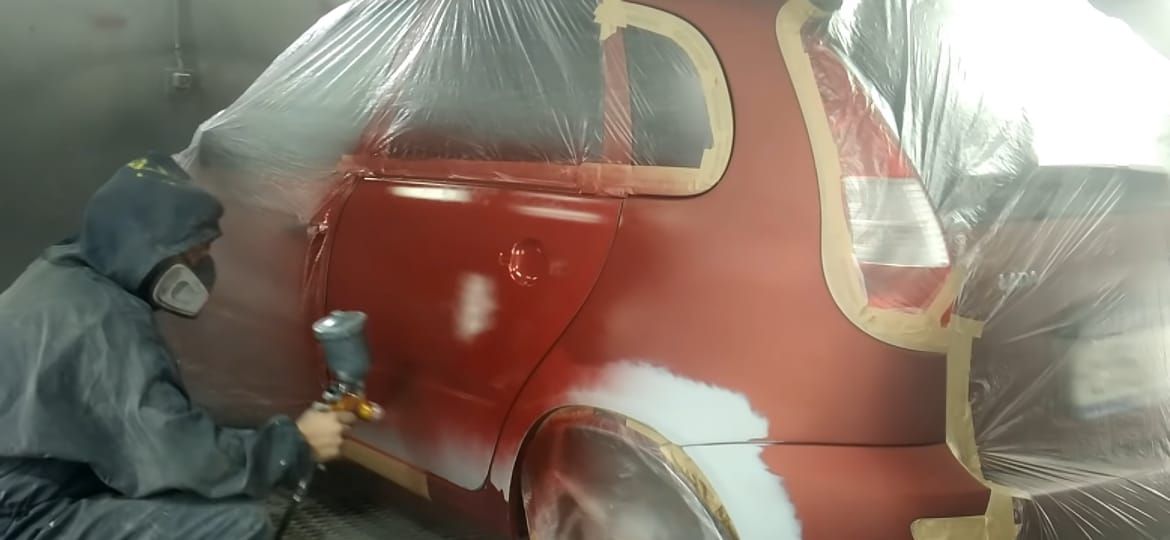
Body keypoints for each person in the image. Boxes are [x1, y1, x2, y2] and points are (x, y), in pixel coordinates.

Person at [0, 152, 355, 539]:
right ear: (146, 246)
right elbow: (173, 455)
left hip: (31, 485)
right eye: (193, 253)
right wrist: (295, 445)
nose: (200, 270)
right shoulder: (102, 322)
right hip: (25, 514)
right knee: (236, 524)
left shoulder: (61, 277)